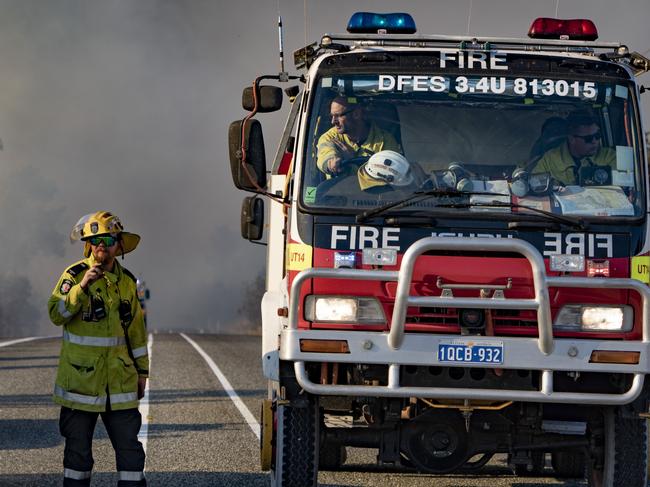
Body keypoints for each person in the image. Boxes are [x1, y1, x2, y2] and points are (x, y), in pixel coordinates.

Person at [48, 211, 148, 487]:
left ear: (119, 244)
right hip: (81, 384)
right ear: (88, 245)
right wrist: (81, 288)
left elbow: (137, 332)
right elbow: (56, 313)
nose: (100, 245)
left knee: (130, 454)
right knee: (77, 457)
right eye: (94, 240)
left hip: (120, 383)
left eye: (106, 238)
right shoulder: (73, 276)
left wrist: (142, 373)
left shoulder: (127, 282)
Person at [316, 96, 401, 177]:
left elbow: (392, 175)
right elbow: (325, 155)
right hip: (336, 191)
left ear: (356, 114)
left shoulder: (385, 140)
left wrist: (352, 161)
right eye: (332, 116)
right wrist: (332, 163)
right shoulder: (329, 137)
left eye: (338, 115)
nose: (333, 121)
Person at [529, 111, 616, 186]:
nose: (595, 141)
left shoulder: (609, 157)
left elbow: (624, 188)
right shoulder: (549, 161)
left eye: (597, 136)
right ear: (571, 139)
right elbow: (534, 185)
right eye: (588, 138)